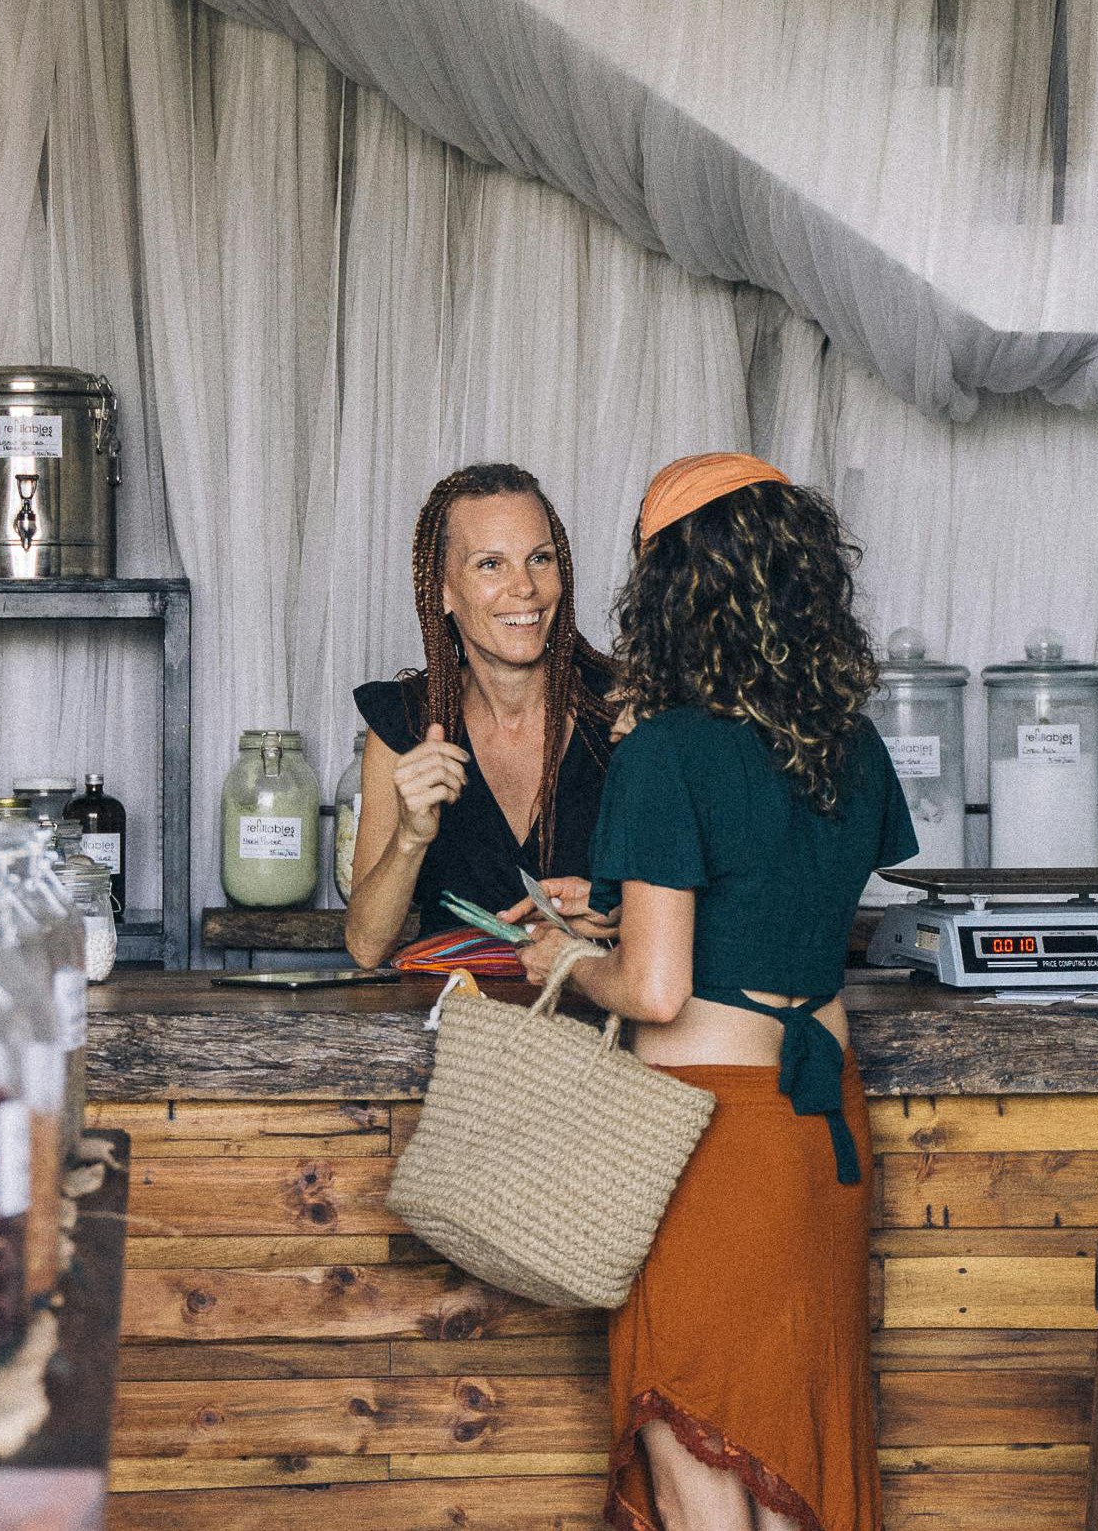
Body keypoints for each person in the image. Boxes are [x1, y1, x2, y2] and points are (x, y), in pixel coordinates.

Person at [512, 453, 915, 1531]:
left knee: (695, 1442)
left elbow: (654, 989)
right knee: (790, 1452)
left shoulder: (665, 752)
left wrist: (565, 960)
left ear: (669, 594)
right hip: (821, 1132)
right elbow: (776, 895)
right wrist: (618, 903)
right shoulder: (851, 747)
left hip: (709, 1142)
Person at [345, 463, 621, 968]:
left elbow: (715, 902)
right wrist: (410, 836)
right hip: (452, 1011)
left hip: (594, 1009)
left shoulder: (623, 712)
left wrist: (624, 912)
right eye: (491, 564)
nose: (525, 587)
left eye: (539, 559)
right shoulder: (405, 723)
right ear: (443, 590)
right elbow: (366, 947)